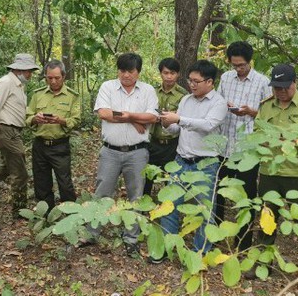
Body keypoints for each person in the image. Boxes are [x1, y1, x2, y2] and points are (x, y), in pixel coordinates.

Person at [82, 53, 159, 257]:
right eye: (122, 70)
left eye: (130, 71)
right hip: (110, 151)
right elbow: (104, 114)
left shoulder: (148, 90)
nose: (125, 75)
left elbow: (152, 116)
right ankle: (91, 233)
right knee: (102, 193)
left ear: (138, 73)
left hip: (137, 153)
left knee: (136, 195)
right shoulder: (108, 87)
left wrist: (128, 115)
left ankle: (131, 238)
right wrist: (134, 120)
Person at [254, 64, 298, 287]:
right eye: (276, 87)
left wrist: (289, 141)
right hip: (270, 171)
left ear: (295, 83)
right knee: (266, 218)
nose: (280, 92)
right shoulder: (265, 106)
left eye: (284, 87)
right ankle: (263, 262)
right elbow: (257, 133)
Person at [154, 60, 228, 261]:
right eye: (190, 80)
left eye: (197, 81)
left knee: (205, 209)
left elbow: (207, 126)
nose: (192, 85)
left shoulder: (218, 103)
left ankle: (199, 253)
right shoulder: (186, 100)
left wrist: (179, 119)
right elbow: (178, 127)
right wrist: (167, 122)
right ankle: (169, 247)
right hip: (181, 159)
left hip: (205, 163)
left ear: (210, 82)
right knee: (170, 203)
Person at [216, 40, 271, 251]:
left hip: (248, 149)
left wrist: (251, 111)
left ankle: (243, 241)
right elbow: (218, 102)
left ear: (250, 62)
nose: (238, 69)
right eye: (234, 65)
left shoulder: (263, 82)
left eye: (242, 65)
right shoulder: (226, 78)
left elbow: (268, 115)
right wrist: (227, 107)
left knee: (246, 196)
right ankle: (217, 235)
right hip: (225, 144)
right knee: (220, 192)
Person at [0, 53, 39, 217]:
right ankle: (19, 211)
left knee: (3, 169)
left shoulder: (18, 86)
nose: (30, 75)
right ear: (19, 69)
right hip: (6, 131)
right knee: (21, 173)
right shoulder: (5, 82)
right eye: (28, 71)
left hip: (14, 131)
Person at [26, 60, 81, 212]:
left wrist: (61, 120)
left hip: (60, 145)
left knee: (65, 182)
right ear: (45, 77)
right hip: (40, 145)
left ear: (63, 76)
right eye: (50, 78)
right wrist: (35, 119)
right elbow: (28, 116)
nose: (53, 81)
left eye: (57, 77)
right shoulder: (38, 95)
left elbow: (76, 120)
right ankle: (46, 214)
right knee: (41, 182)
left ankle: (71, 214)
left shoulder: (72, 96)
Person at [144, 57, 188, 197]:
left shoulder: (184, 95)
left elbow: (183, 118)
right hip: (153, 141)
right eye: (166, 73)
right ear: (160, 73)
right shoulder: (153, 92)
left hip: (172, 144)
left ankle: (168, 212)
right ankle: (143, 210)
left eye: (173, 73)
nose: (169, 77)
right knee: (147, 178)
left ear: (178, 74)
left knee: (171, 180)